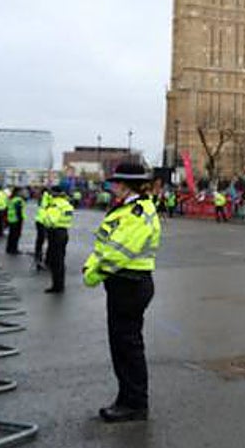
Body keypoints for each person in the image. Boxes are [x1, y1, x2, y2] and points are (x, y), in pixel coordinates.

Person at [83, 161, 161, 422]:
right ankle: (127, 397)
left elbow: (119, 251)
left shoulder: (138, 212)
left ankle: (135, 403)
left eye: (115, 182)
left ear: (127, 185)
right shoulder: (126, 208)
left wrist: (94, 273)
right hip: (122, 283)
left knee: (128, 346)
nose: (112, 185)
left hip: (130, 283)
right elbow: (104, 246)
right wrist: (93, 266)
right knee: (121, 345)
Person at [43, 188, 74, 293]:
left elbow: (52, 220)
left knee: (55, 261)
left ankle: (57, 286)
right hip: (64, 232)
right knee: (60, 259)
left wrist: (45, 219)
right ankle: (60, 284)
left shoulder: (55, 205)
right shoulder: (66, 204)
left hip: (55, 232)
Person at [5, 187, 26, 255]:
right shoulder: (18, 200)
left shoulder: (12, 199)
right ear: (18, 192)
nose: (23, 193)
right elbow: (18, 211)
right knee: (16, 235)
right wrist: (20, 220)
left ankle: (9, 248)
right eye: (21, 191)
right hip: (16, 220)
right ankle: (14, 249)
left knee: (11, 235)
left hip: (11, 219)